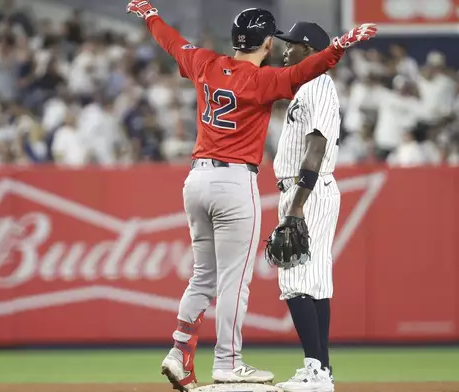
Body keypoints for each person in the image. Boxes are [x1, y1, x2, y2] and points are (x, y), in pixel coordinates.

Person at [125, 2, 377, 390]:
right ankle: (228, 363)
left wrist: (150, 16)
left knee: (202, 276)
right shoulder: (262, 80)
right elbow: (307, 70)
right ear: (266, 45)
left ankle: (179, 351)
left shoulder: (205, 62)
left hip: (196, 180)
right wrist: (340, 45)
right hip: (234, 183)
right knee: (234, 281)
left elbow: (172, 43)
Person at [269, 22, 341, 392]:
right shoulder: (306, 87)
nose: (285, 50)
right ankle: (321, 370)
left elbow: (316, 148)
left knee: (296, 279)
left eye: (292, 44)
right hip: (309, 190)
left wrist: (297, 204)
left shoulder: (318, 85)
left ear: (309, 49)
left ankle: (315, 370)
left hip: (306, 191)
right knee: (313, 282)